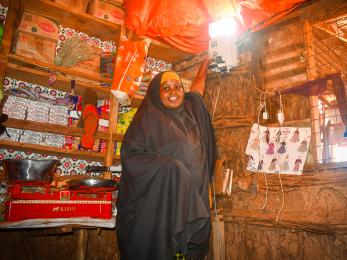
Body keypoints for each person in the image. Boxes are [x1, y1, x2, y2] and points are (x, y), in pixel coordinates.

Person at [116, 57, 216, 260]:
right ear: (155, 92)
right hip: (164, 210)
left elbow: (197, 91)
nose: (174, 92)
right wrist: (170, 169)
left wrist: (205, 64)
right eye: (166, 88)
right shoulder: (147, 118)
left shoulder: (190, 111)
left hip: (196, 204)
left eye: (178, 87)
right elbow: (132, 156)